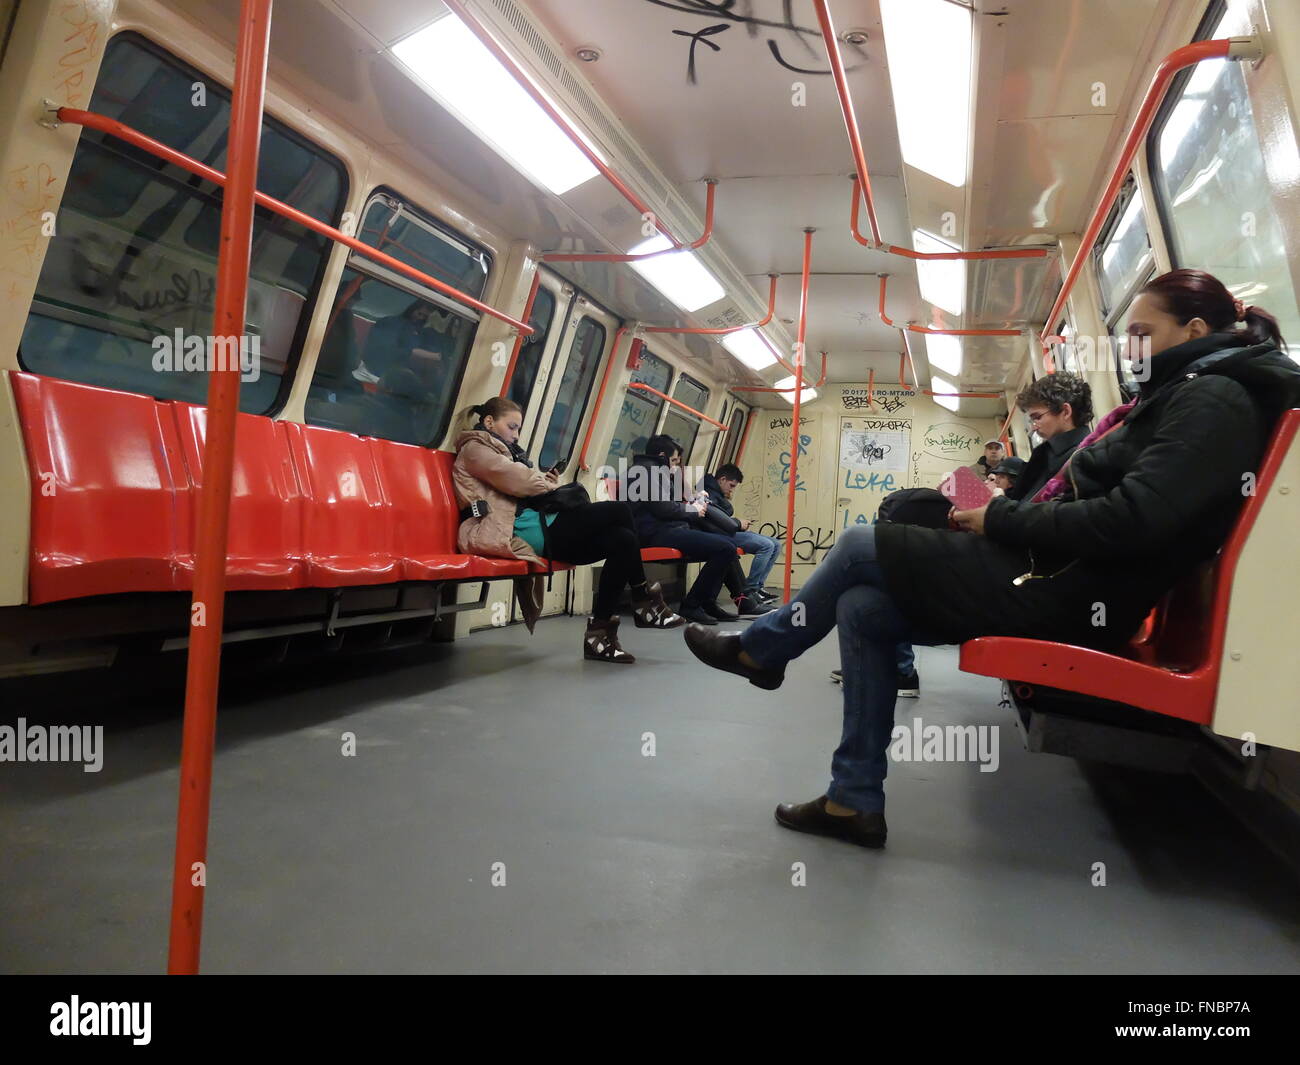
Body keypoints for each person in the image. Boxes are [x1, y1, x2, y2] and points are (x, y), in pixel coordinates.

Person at [684, 268, 1300, 850]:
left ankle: (761, 652)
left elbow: (1134, 520)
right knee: (864, 606)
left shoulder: (1213, 400)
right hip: (1059, 574)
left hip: (1073, 595)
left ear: (1195, 331)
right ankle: (852, 801)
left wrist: (999, 516)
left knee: (857, 544)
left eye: (1143, 335)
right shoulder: (1186, 395)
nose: (1131, 352)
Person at [453, 398, 684, 663]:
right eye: (512, 427)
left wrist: (544, 481)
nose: (516, 435)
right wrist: (545, 483)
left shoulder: (506, 453)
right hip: (510, 529)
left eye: (518, 429)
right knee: (619, 511)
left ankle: (599, 634)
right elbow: (518, 481)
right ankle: (643, 597)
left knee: (623, 539)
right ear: (489, 422)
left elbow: (526, 482)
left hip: (537, 523)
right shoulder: (475, 448)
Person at [626, 434, 741, 626]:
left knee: (726, 544)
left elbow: (667, 505)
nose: (675, 466)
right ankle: (692, 605)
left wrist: (693, 501)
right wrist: (693, 511)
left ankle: (706, 603)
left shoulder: (654, 471)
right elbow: (662, 508)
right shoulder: (644, 472)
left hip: (665, 528)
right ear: (662, 455)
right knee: (725, 548)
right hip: (654, 533)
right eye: (673, 461)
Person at [702, 464, 781, 617]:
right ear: (722, 479)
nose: (731, 490)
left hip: (728, 529)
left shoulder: (716, 492)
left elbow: (721, 516)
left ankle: (757, 588)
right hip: (721, 533)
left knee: (776, 544)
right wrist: (738, 523)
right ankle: (750, 590)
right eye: (731, 486)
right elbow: (714, 519)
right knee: (766, 545)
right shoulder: (708, 492)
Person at [1005, 373, 1093, 501]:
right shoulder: (1050, 454)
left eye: (1037, 417)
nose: (1034, 427)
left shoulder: (1081, 459)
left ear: (1065, 411)